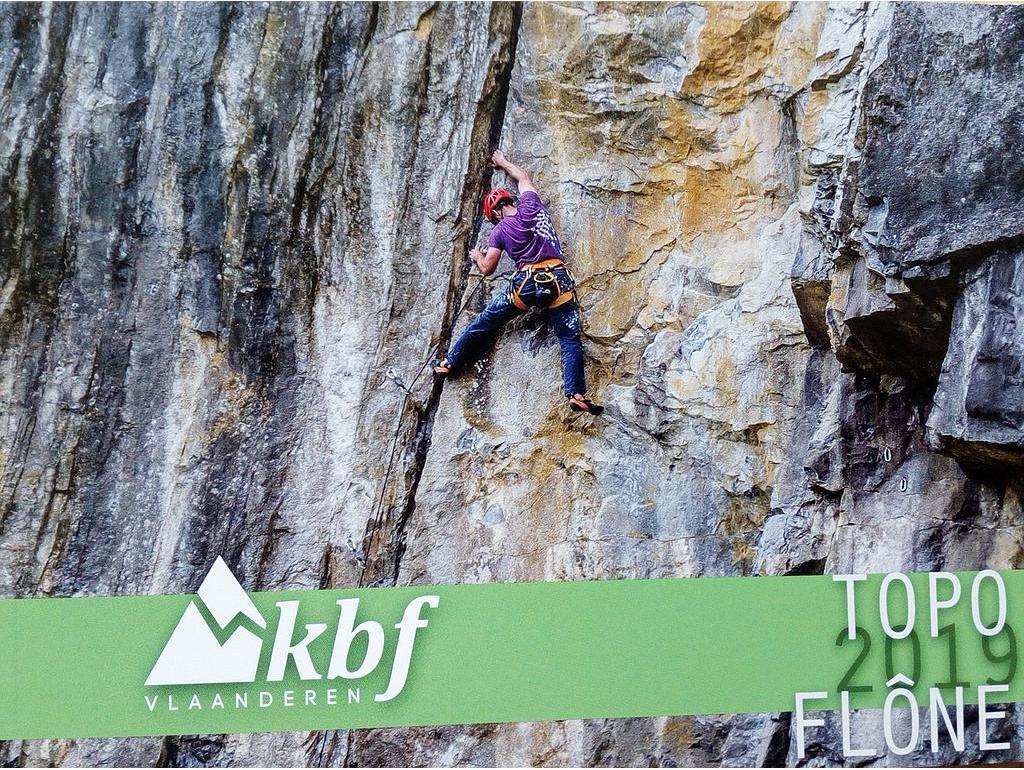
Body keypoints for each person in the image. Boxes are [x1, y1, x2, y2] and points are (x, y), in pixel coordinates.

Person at [433, 150, 603, 416]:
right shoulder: (533, 206)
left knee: (486, 320)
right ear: (510, 201)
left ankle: (449, 363)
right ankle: (576, 394)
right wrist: (502, 163)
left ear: (495, 213)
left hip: (526, 285)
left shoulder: (499, 230)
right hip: (558, 281)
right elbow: (523, 177)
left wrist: (477, 256)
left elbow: (488, 268)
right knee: (569, 338)